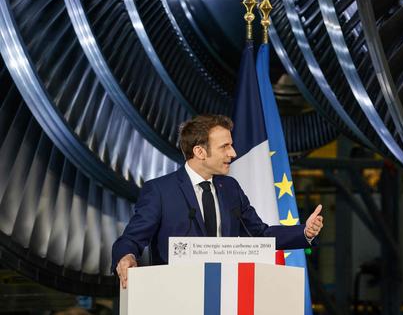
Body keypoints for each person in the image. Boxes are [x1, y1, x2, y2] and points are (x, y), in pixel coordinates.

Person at [112, 114, 324, 288]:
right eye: (225, 146)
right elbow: (131, 239)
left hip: (227, 294)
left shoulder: (230, 188)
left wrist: (304, 232)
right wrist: (126, 258)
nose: (233, 153)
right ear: (200, 151)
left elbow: (260, 234)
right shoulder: (160, 191)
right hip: (176, 294)